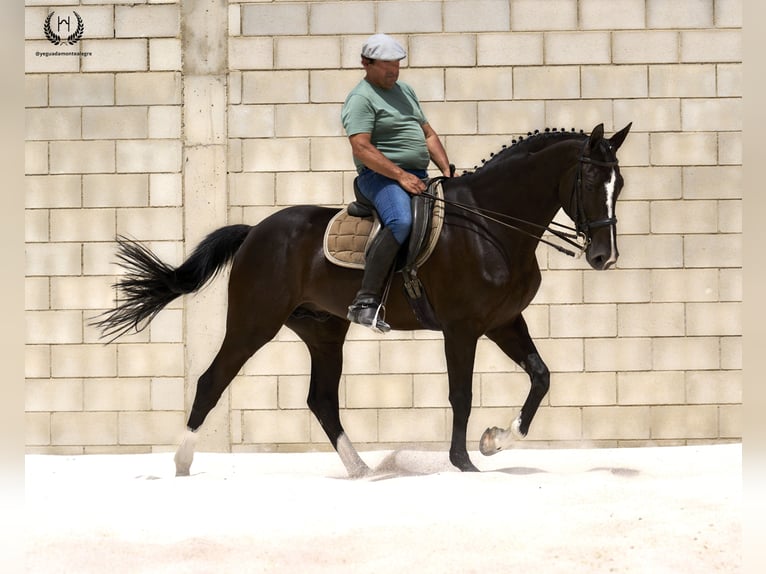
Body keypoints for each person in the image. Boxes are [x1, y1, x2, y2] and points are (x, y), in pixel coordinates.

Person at [341, 33, 452, 332]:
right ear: (366, 63)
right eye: (386, 66)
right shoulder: (361, 98)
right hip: (379, 178)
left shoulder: (405, 91)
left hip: (418, 176)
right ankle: (365, 302)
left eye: (397, 65)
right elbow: (361, 147)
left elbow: (428, 134)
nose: (393, 71)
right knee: (401, 221)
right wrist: (400, 175)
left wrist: (447, 170)